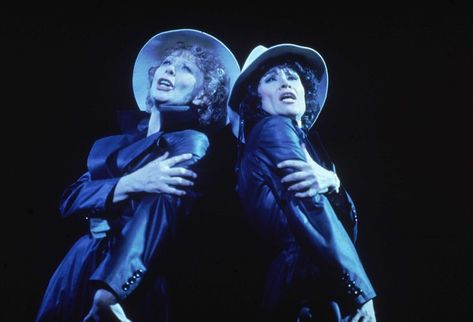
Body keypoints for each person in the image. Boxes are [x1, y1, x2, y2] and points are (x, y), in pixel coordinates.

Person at [35, 29, 240, 322]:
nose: (170, 69)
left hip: (130, 274)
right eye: (167, 63)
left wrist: (111, 290)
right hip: (77, 265)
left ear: (204, 94)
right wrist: (131, 183)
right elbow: (70, 200)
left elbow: (157, 215)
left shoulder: (190, 142)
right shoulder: (115, 145)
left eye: (186, 69)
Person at [228, 44, 377, 321]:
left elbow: (343, 220)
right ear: (256, 99)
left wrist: (334, 182)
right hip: (301, 292)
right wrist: (360, 292)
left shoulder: (308, 146)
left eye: (292, 77)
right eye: (271, 79)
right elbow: (310, 207)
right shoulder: (273, 128)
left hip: (314, 286)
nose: (285, 82)